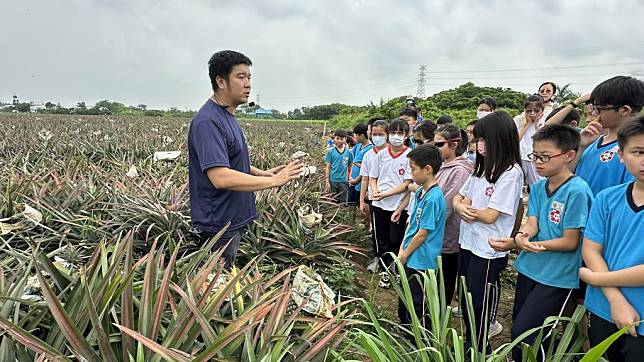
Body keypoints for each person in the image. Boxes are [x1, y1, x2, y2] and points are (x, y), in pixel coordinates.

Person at [188, 50, 302, 268]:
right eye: (241, 77)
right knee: (216, 290)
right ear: (220, 81)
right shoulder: (208, 121)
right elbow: (220, 176)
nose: (248, 83)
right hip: (219, 225)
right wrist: (274, 181)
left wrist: (261, 173)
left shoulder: (227, 115)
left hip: (231, 218)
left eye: (249, 77)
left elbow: (227, 159)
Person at [488, 124, 593, 361]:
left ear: (569, 155)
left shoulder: (577, 191)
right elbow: (532, 222)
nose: (537, 162)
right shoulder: (536, 186)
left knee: (528, 334)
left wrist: (532, 245)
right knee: (521, 327)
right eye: (534, 156)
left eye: (545, 157)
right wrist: (523, 236)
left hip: (558, 275)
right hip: (530, 267)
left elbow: (570, 241)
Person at [453, 111, 524, 352]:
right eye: (476, 140)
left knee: (479, 303)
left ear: (498, 139)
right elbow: (458, 197)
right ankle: (470, 342)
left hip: (488, 248)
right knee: (465, 297)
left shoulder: (511, 173)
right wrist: (461, 206)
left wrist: (463, 208)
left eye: (482, 139)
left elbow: (490, 215)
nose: (478, 145)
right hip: (468, 242)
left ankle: (478, 348)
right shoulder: (481, 169)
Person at [579, 115, 644, 361]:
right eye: (638, 151)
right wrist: (615, 299)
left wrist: (596, 278)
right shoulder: (607, 198)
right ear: (621, 155)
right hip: (603, 307)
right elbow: (591, 249)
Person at [397, 144, 446, 329]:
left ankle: (420, 338)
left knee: (419, 301)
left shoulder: (433, 198)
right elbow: (412, 225)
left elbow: (422, 234)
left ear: (427, 169)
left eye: (413, 169)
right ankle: (406, 328)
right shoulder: (420, 192)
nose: (411, 173)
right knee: (407, 296)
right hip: (411, 255)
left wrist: (404, 253)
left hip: (423, 259)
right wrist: (403, 248)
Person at [573, 75, 643, 196]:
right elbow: (566, 176)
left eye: (600, 109)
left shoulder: (635, 150)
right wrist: (581, 146)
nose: (595, 115)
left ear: (625, 110)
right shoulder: (592, 142)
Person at [370, 120, 414, 288]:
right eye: (393, 133)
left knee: (396, 240)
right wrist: (375, 191)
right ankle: (384, 272)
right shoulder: (381, 155)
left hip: (398, 206)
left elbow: (406, 184)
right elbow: (374, 177)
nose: (396, 136)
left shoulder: (410, 155)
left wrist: (385, 194)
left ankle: (395, 267)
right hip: (379, 204)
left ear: (406, 135)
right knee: (381, 239)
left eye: (400, 133)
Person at [434, 125, 473, 306]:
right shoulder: (443, 166)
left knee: (445, 281)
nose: (436, 148)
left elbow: (448, 205)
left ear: (454, 144)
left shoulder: (460, 170)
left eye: (440, 144)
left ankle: (441, 318)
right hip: (438, 235)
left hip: (448, 236)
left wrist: (429, 225)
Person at [360, 120, 389, 273]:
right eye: (374, 134)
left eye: (381, 134)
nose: (377, 137)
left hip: (394, 202)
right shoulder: (368, 155)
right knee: (378, 232)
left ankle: (390, 263)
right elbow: (365, 178)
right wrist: (361, 201)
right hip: (375, 200)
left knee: (393, 236)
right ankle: (378, 258)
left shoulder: (395, 152)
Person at [515, 94, 546, 187]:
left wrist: (536, 125)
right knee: (517, 185)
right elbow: (515, 140)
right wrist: (527, 123)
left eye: (536, 111)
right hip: (520, 158)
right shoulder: (518, 120)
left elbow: (542, 140)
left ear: (542, 111)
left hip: (535, 159)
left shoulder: (545, 121)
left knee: (537, 185)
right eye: (529, 111)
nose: (532, 113)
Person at [325, 129, 353, 204]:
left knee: (343, 201)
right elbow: (328, 167)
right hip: (333, 180)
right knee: (333, 200)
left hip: (344, 180)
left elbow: (350, 166)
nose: (339, 141)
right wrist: (327, 181)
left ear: (345, 139)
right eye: (337, 138)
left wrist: (350, 177)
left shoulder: (348, 152)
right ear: (334, 138)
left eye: (341, 139)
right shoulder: (331, 152)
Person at [349, 123, 373, 204]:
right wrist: (350, 176)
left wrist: (356, 180)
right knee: (352, 203)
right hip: (352, 180)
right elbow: (353, 162)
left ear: (362, 136)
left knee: (361, 204)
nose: (354, 137)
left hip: (361, 183)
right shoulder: (357, 146)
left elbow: (366, 169)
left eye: (356, 135)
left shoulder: (371, 149)